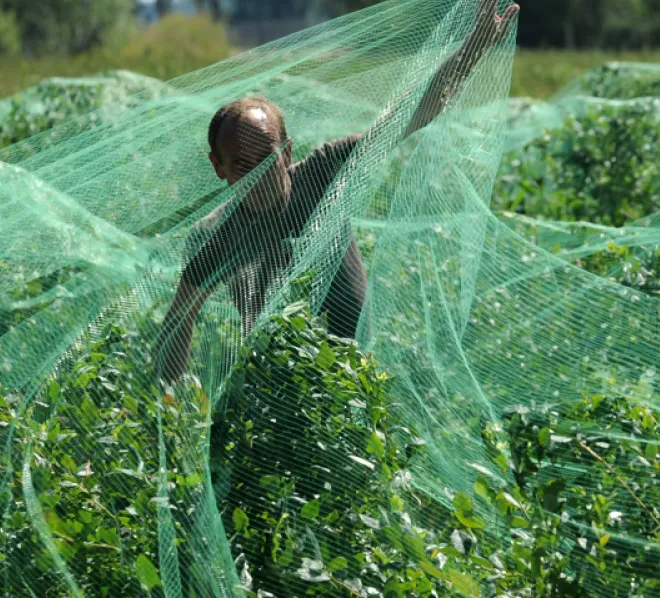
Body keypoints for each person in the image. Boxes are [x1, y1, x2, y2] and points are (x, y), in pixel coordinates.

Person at [154, 0, 519, 385]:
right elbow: (180, 316)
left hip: (356, 375)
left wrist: (473, 47)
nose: (258, 175)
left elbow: (410, 115)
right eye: (242, 164)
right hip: (276, 386)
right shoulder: (216, 235)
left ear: (288, 152)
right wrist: (173, 401)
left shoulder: (322, 174)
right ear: (219, 167)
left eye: (267, 159)